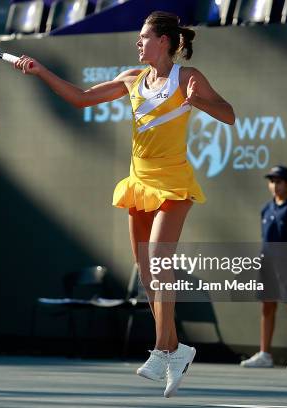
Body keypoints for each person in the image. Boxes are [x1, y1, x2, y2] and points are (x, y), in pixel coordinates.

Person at [14, 11, 235, 397]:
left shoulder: (189, 78)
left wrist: (200, 103)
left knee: (159, 259)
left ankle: (164, 349)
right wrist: (40, 71)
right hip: (140, 183)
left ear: (164, 41)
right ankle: (173, 349)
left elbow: (229, 115)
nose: (138, 43)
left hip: (174, 182)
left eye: (144, 37)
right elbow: (81, 99)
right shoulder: (131, 79)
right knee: (148, 273)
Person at [240, 165, 287, 370]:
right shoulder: (266, 208)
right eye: (272, 181)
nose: (274, 185)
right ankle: (265, 354)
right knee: (267, 306)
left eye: (279, 181)